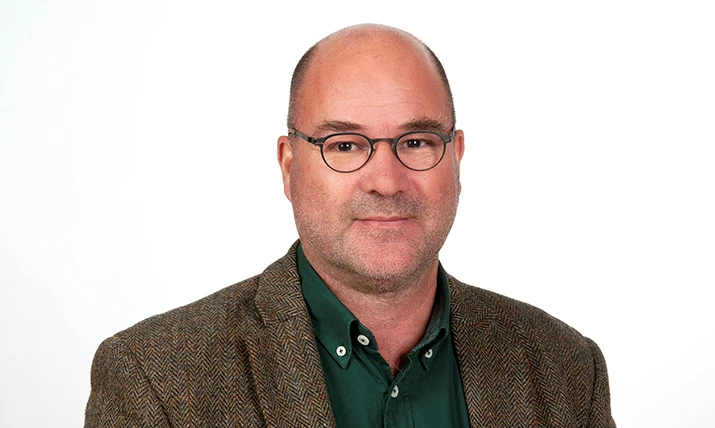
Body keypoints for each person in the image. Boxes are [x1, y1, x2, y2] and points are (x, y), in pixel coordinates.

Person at [85, 24, 615, 427]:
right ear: (289, 166)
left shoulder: (567, 369)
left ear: (456, 158)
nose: (386, 181)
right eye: (344, 145)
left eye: (416, 142)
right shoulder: (155, 379)